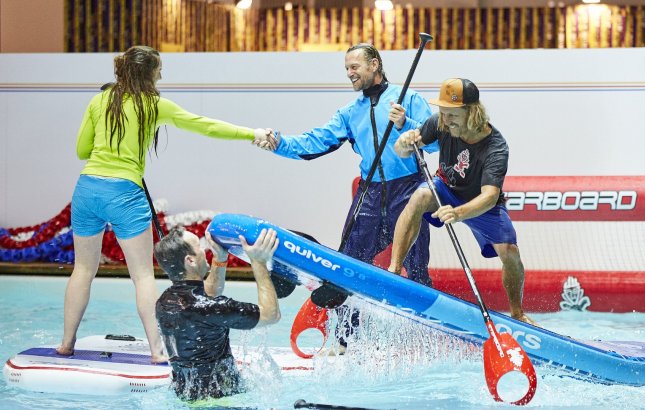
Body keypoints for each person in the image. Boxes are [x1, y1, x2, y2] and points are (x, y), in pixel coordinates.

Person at [57, 45, 271, 361]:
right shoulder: (154, 105)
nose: (162, 74)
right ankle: (157, 352)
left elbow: (81, 151)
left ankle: (65, 344)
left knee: (83, 269)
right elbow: (205, 125)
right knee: (142, 276)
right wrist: (251, 133)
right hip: (125, 193)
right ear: (148, 73)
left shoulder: (99, 100)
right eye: (159, 69)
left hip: (87, 190)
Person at [255, 43, 437, 352]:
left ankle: (423, 339)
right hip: (370, 194)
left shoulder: (410, 100)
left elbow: (435, 145)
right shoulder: (350, 113)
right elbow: (315, 142)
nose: (350, 73)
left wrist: (407, 124)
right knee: (348, 268)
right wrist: (280, 144)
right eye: (347, 69)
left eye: (355, 67)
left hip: (408, 190)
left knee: (416, 268)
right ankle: (345, 338)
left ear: (374, 65)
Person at [388, 78, 535, 326]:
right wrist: (402, 144)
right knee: (421, 194)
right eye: (443, 113)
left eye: (452, 115)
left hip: (481, 204)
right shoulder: (439, 123)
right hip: (445, 188)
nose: (445, 121)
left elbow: (489, 196)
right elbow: (405, 150)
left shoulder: (496, 147)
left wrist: (458, 213)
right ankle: (393, 271)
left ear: (472, 112)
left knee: (510, 254)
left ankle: (518, 314)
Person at [154, 226, 280, 401]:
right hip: (222, 401)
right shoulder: (209, 308)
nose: (205, 250)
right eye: (199, 246)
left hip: (185, 396)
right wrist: (259, 262)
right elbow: (270, 314)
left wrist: (219, 258)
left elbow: (209, 293)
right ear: (190, 260)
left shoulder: (164, 302)